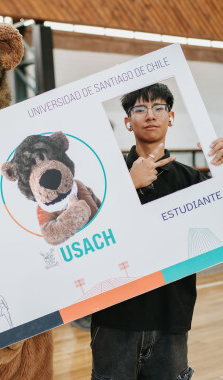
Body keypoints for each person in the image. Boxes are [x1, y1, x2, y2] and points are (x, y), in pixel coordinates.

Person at [90, 83, 223, 380]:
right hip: (114, 318)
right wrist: (128, 185)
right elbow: (86, 233)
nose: (150, 115)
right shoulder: (105, 179)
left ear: (170, 117)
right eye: (140, 109)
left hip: (171, 317)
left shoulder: (193, 179)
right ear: (128, 121)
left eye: (158, 108)